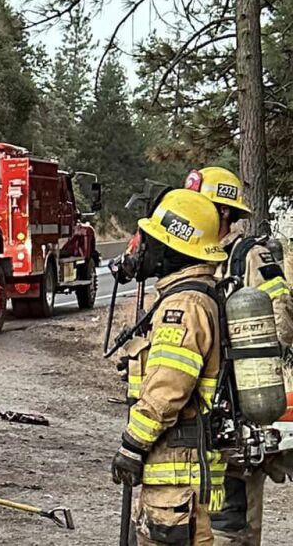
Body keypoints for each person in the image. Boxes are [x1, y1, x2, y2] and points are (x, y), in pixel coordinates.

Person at [111, 188, 228, 545]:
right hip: (181, 475)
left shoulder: (185, 305)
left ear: (173, 246)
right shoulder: (193, 295)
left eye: (151, 239)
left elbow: (169, 386)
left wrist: (132, 444)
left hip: (179, 476)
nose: (143, 248)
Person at [186, 167, 293, 545]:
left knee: (235, 522)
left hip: (240, 406)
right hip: (204, 408)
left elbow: (281, 323)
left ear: (225, 213)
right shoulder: (198, 258)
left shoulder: (249, 256)